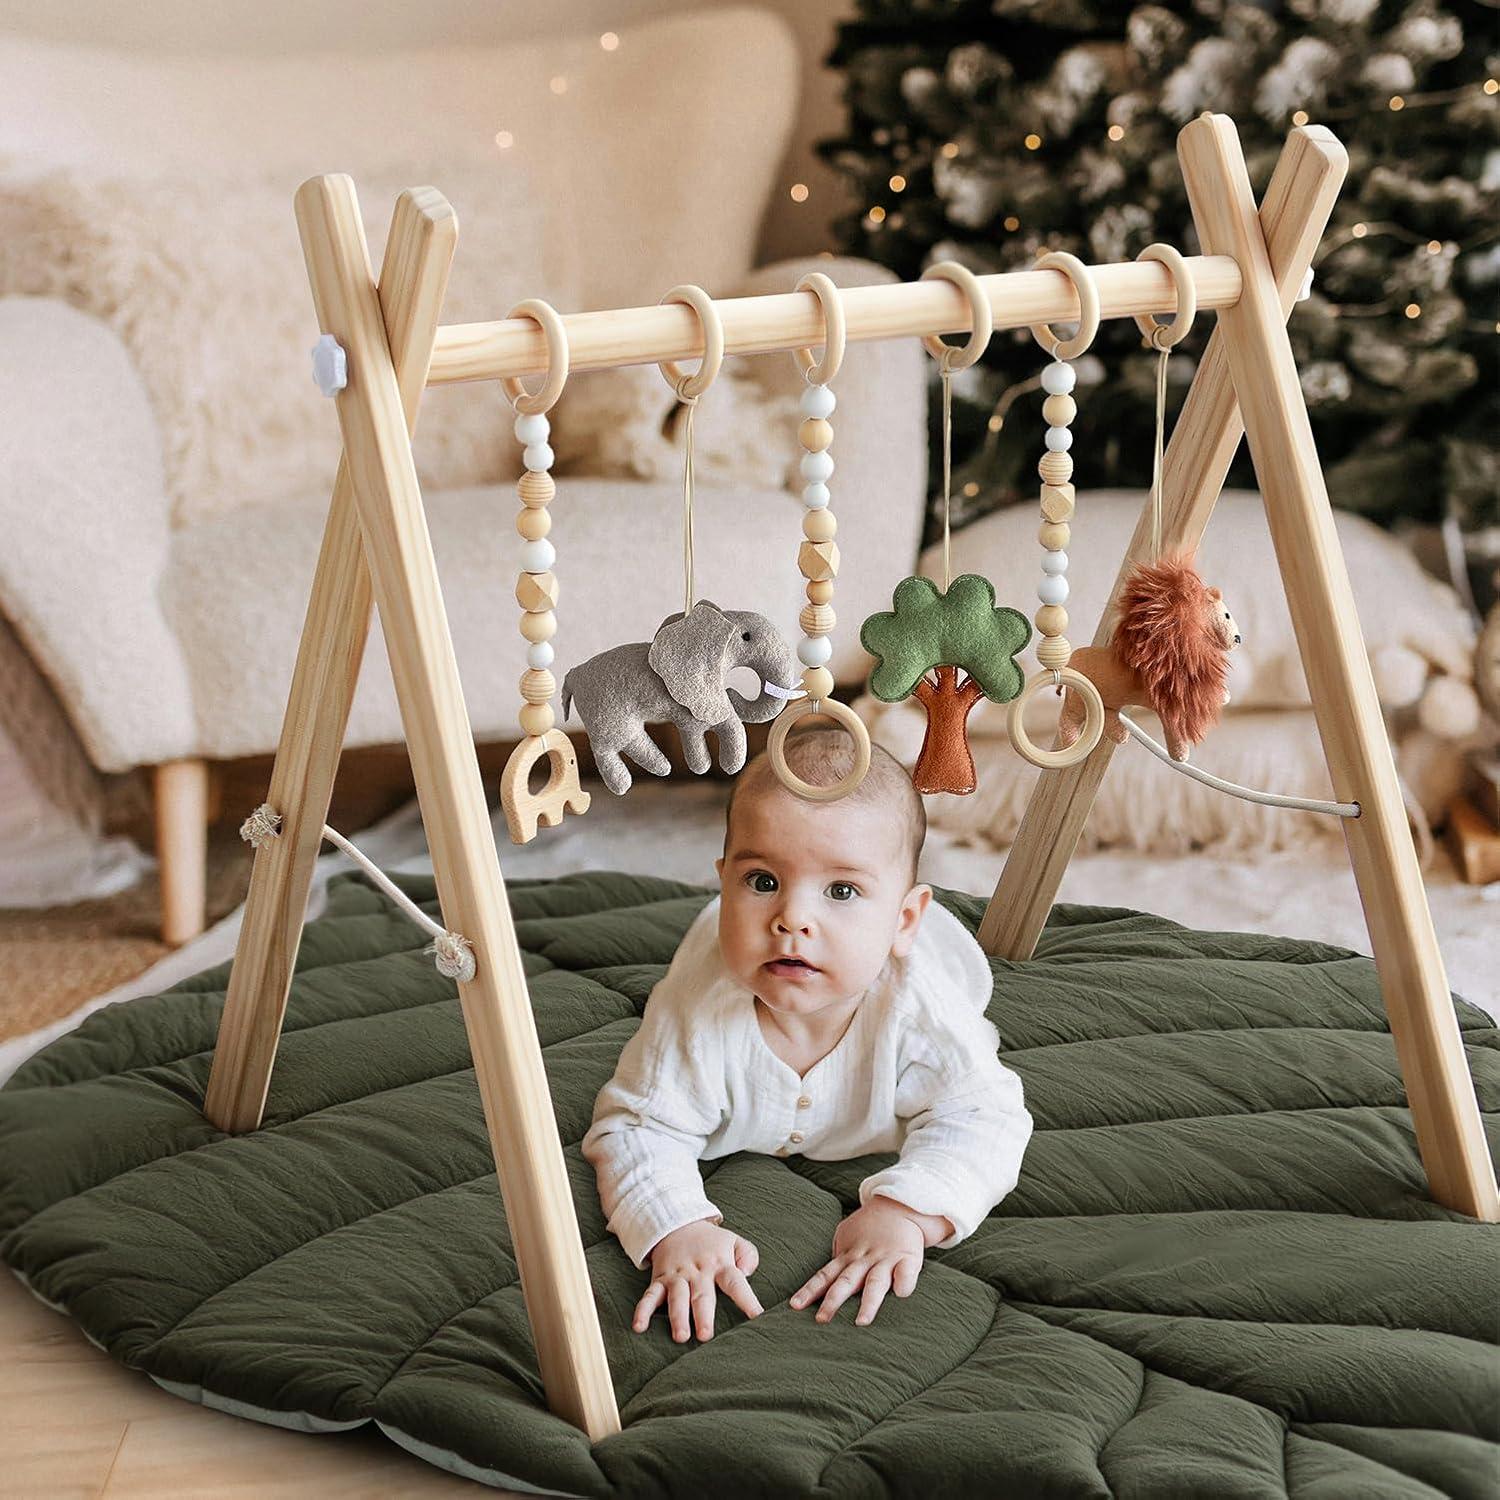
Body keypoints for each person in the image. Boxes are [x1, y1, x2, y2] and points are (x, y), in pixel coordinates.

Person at [581, 729, 1032, 1343]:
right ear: (723, 883)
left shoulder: (920, 1011)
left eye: (841, 890)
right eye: (762, 882)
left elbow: (987, 1115)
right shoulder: (697, 1012)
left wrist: (907, 1211)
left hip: (919, 965)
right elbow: (636, 1125)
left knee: (955, 1021)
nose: (792, 917)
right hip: (727, 956)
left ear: (902, 920)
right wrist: (675, 1226)